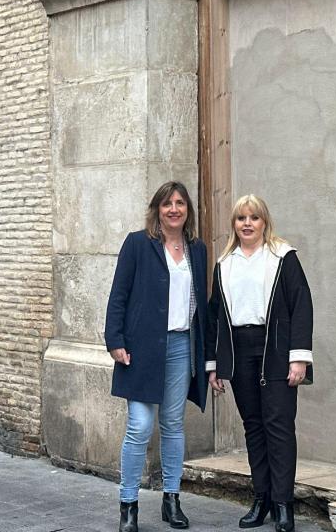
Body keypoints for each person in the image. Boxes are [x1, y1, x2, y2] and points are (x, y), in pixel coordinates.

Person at [205, 194, 313, 532]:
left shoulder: (283, 257)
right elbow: (214, 318)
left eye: (254, 217)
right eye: (241, 218)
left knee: (278, 426)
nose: (247, 223)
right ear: (234, 225)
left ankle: (283, 504)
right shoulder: (225, 264)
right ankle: (262, 497)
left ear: (264, 222)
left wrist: (299, 359)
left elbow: (302, 307)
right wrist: (214, 364)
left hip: (276, 349)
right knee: (253, 425)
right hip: (240, 350)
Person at [105, 181, 209, 532]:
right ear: (157, 209)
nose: (174, 209)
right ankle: (129, 505)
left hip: (182, 346)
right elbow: (118, 294)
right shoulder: (138, 244)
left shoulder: (198, 249)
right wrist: (114, 339)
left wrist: (208, 357)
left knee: (173, 425)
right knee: (140, 426)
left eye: (180, 203)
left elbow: (202, 308)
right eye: (168, 204)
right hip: (143, 348)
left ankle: (171, 499)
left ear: (187, 210)